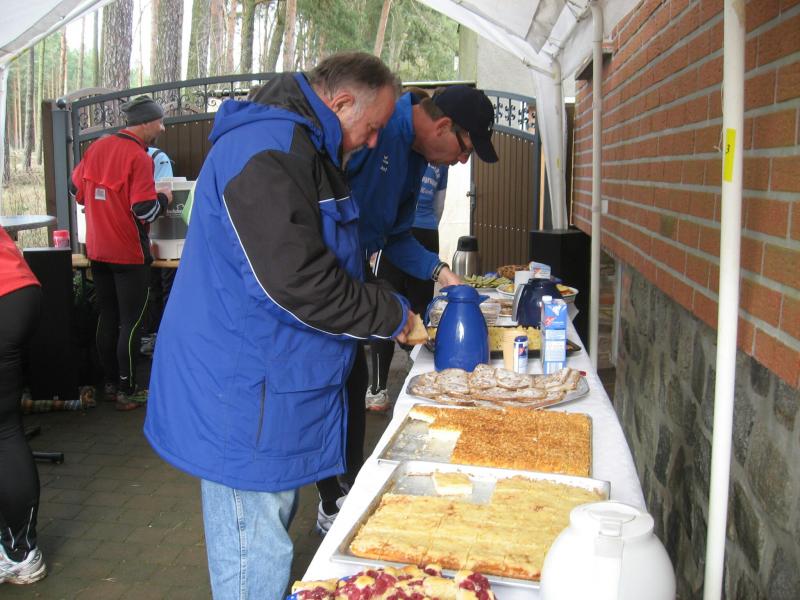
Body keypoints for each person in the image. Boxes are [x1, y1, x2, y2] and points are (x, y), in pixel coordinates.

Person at [143, 52, 412, 600]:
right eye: (372, 127)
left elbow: (325, 260)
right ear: (341, 102)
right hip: (243, 395)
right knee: (256, 557)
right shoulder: (266, 148)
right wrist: (391, 315)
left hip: (267, 386)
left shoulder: (302, 146)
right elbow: (298, 281)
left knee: (267, 541)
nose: (373, 142)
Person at [313, 85, 498, 532]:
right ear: (443, 126)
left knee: (352, 380)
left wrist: (441, 272)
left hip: (353, 271)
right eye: (465, 149)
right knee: (327, 385)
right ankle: (330, 500)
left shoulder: (416, 156)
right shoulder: (376, 130)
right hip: (321, 277)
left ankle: (346, 488)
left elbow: (395, 236)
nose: (462, 162)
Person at [71, 95, 173, 411]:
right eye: (160, 121)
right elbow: (145, 210)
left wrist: (102, 205)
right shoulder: (139, 158)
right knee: (131, 322)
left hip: (97, 250)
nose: (163, 128)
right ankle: (127, 391)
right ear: (146, 123)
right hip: (128, 253)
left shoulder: (97, 147)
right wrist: (165, 197)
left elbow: (76, 191)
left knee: (108, 316)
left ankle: (111, 384)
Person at [366, 161, 448, 411]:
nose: (461, 159)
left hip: (397, 231)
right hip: (424, 232)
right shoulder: (441, 158)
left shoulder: (401, 151)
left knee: (385, 307)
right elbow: (439, 204)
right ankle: (421, 376)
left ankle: (378, 389)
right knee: (416, 310)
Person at [0, 225, 46, 585]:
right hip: (19, 288)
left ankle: (20, 553)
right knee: (5, 429)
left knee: (3, 431)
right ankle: (18, 547)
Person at [140, 146, 175, 356]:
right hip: (140, 237)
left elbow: (165, 192)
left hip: (165, 235)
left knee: (165, 287)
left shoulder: (157, 157)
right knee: (151, 288)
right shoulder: (126, 154)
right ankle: (152, 334)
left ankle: (163, 337)